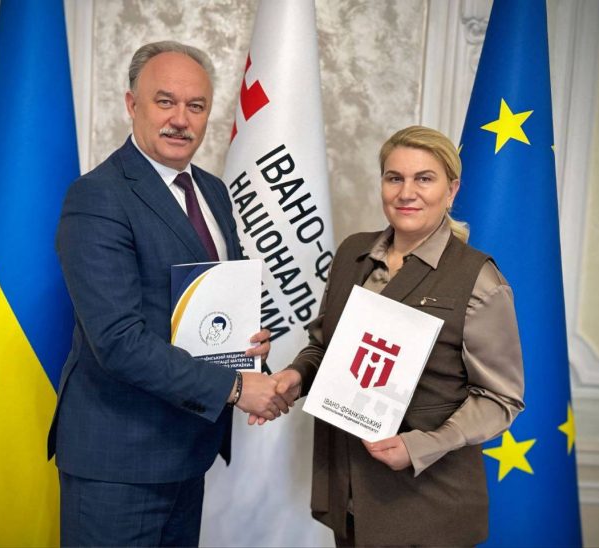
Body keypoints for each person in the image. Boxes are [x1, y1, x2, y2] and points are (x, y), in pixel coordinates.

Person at [48, 41, 290, 547]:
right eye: (165, 102)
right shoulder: (98, 196)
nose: (181, 119)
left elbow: (216, 301)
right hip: (118, 460)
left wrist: (248, 344)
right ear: (132, 104)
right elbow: (118, 342)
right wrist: (236, 388)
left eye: (195, 106)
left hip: (187, 449)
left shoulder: (213, 191)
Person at [266, 126, 525, 546]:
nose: (407, 192)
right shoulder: (353, 253)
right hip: (348, 495)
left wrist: (423, 445)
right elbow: (324, 346)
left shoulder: (479, 279)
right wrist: (298, 375)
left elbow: (501, 399)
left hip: (428, 507)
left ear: (451, 190)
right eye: (394, 178)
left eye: (424, 178)